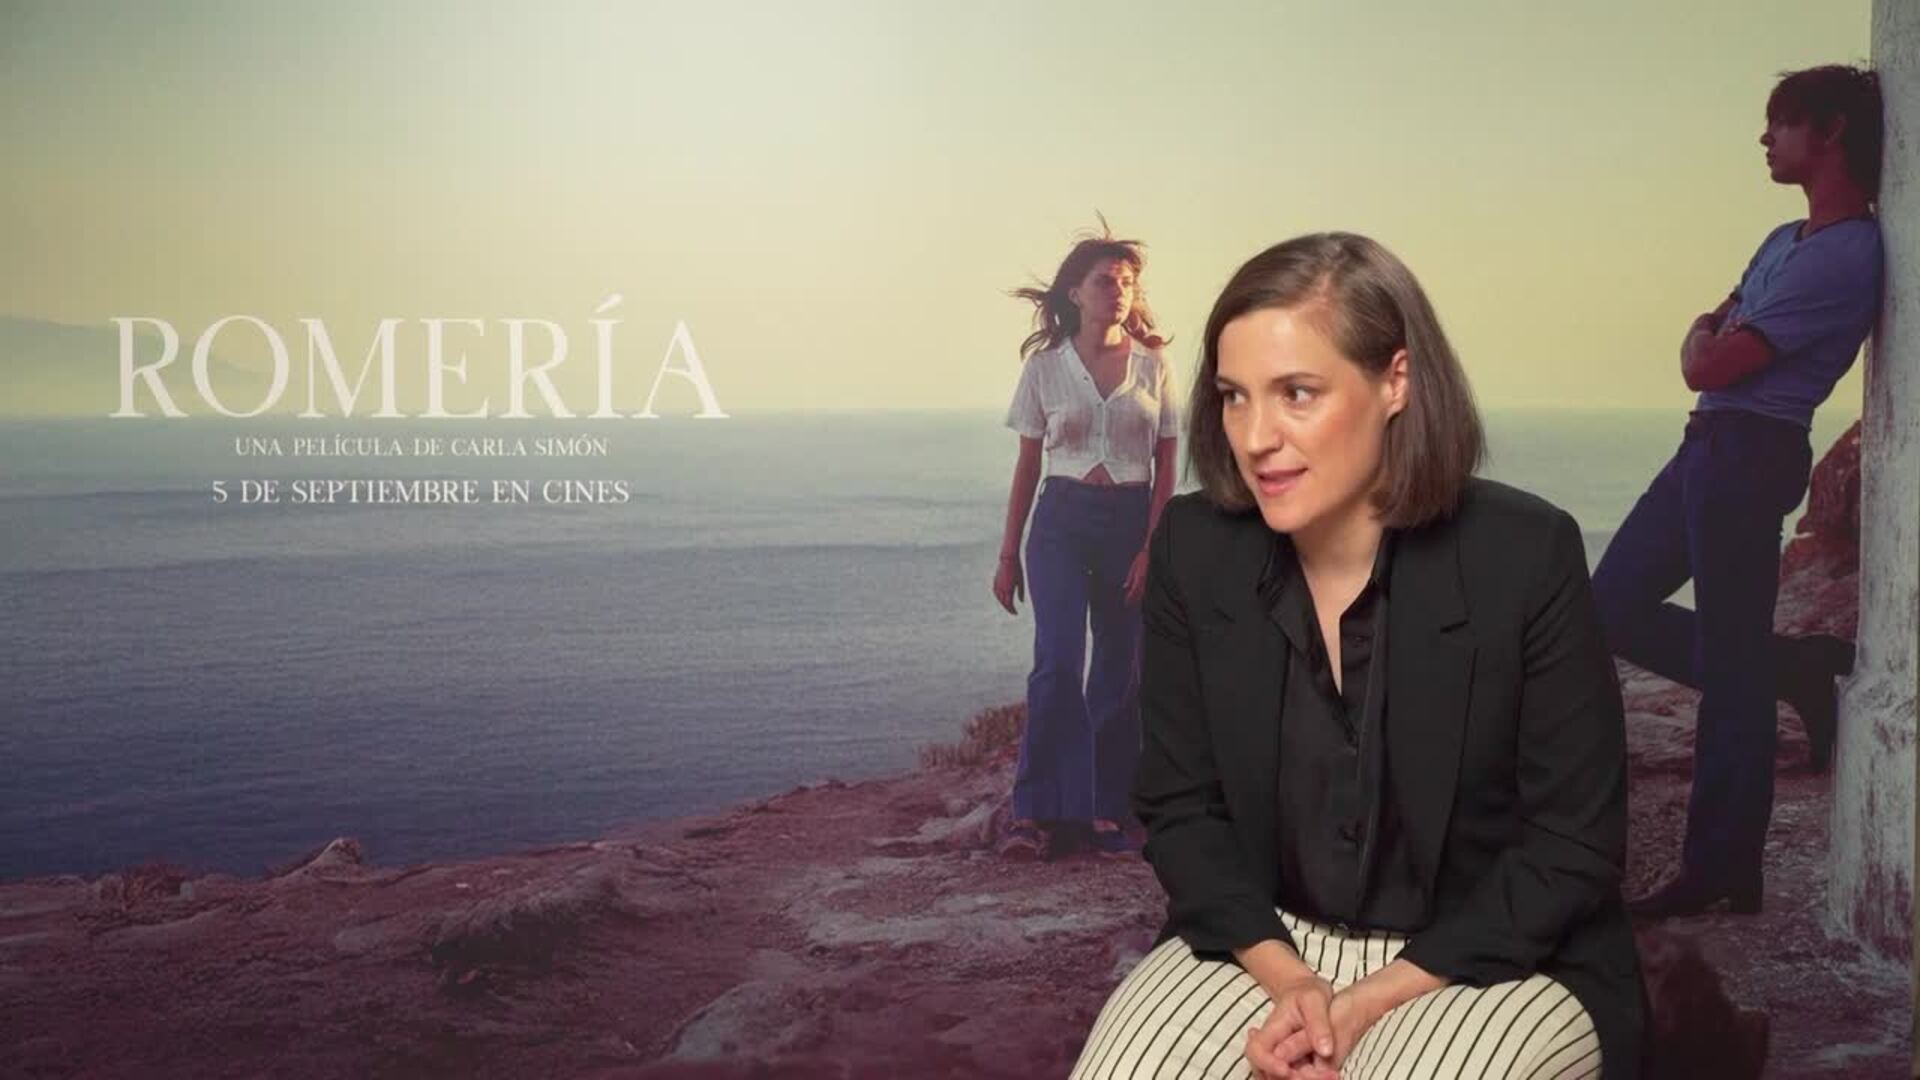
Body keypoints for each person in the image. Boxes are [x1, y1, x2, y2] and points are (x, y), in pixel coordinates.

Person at [1072, 233, 1648, 1078]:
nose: (1255, 437)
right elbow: (1179, 808)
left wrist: (1368, 1002)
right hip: (1263, 941)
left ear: (1396, 382)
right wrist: (1290, 978)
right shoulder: (1195, 550)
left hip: (1492, 952)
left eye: (1297, 393)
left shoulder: (1525, 554)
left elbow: (1573, 846)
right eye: (1234, 397)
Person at [1593, 64, 1884, 920]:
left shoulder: (1847, 253)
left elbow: (1711, 356)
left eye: (1779, 122)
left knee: (1729, 670)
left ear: (1830, 130)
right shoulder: (1780, 240)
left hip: (1751, 451)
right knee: (1607, 605)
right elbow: (1715, 330)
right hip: (1706, 446)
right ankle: (1796, 666)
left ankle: (1721, 868)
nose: (1764, 138)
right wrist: (1705, 336)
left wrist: (1699, 339)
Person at [992, 219, 1181, 860]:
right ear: (1074, 292)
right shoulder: (1044, 368)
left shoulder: (1155, 366)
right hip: (1060, 524)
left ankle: (1101, 806)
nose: (1118, 291)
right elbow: (1027, 466)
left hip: (1130, 521)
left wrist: (1152, 548)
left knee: (1118, 667)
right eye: (1105, 281)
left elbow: (1166, 466)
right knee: (1058, 660)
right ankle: (1036, 811)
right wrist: (1008, 555)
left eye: (1127, 282)